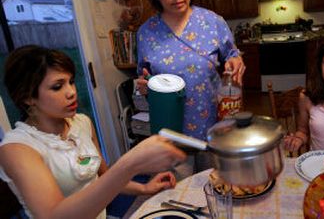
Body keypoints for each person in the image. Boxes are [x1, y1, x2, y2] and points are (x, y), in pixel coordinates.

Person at [0, 45, 186, 219]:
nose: (72, 92)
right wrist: (131, 162)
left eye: (71, 82)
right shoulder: (16, 149)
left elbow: (103, 177)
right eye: (57, 86)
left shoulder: (81, 123)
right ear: (28, 97)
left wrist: (144, 188)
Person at [136, 0, 245, 141]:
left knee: (212, 170)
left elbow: (232, 54)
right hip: (171, 134)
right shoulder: (146, 34)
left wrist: (236, 61)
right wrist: (145, 88)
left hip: (215, 129)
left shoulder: (213, 22)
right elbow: (145, 80)